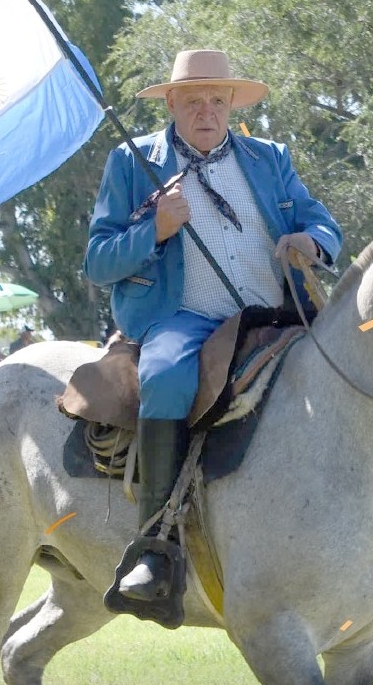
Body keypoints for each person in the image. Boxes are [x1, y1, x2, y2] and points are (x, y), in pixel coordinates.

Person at [84, 49, 343, 605]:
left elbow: (319, 218)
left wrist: (313, 240)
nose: (207, 111)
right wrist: (155, 228)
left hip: (275, 314)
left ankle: (364, 541)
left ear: (231, 105)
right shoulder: (133, 163)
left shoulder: (269, 158)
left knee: (351, 369)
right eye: (194, 100)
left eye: (217, 101)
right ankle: (155, 547)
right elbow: (98, 261)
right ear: (172, 104)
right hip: (184, 320)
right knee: (165, 377)